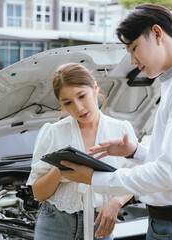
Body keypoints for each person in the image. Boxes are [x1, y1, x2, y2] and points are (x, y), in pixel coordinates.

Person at [60, 4, 172, 240]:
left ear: (157, 33)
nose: (132, 60)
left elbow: (169, 173)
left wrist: (95, 178)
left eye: (134, 48)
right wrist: (135, 152)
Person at [26, 63, 137, 240]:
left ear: (94, 87)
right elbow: (39, 194)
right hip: (55, 224)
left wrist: (116, 202)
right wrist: (59, 168)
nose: (78, 108)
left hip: (100, 224)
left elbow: (136, 177)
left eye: (82, 96)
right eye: (67, 103)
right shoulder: (53, 132)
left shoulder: (121, 130)